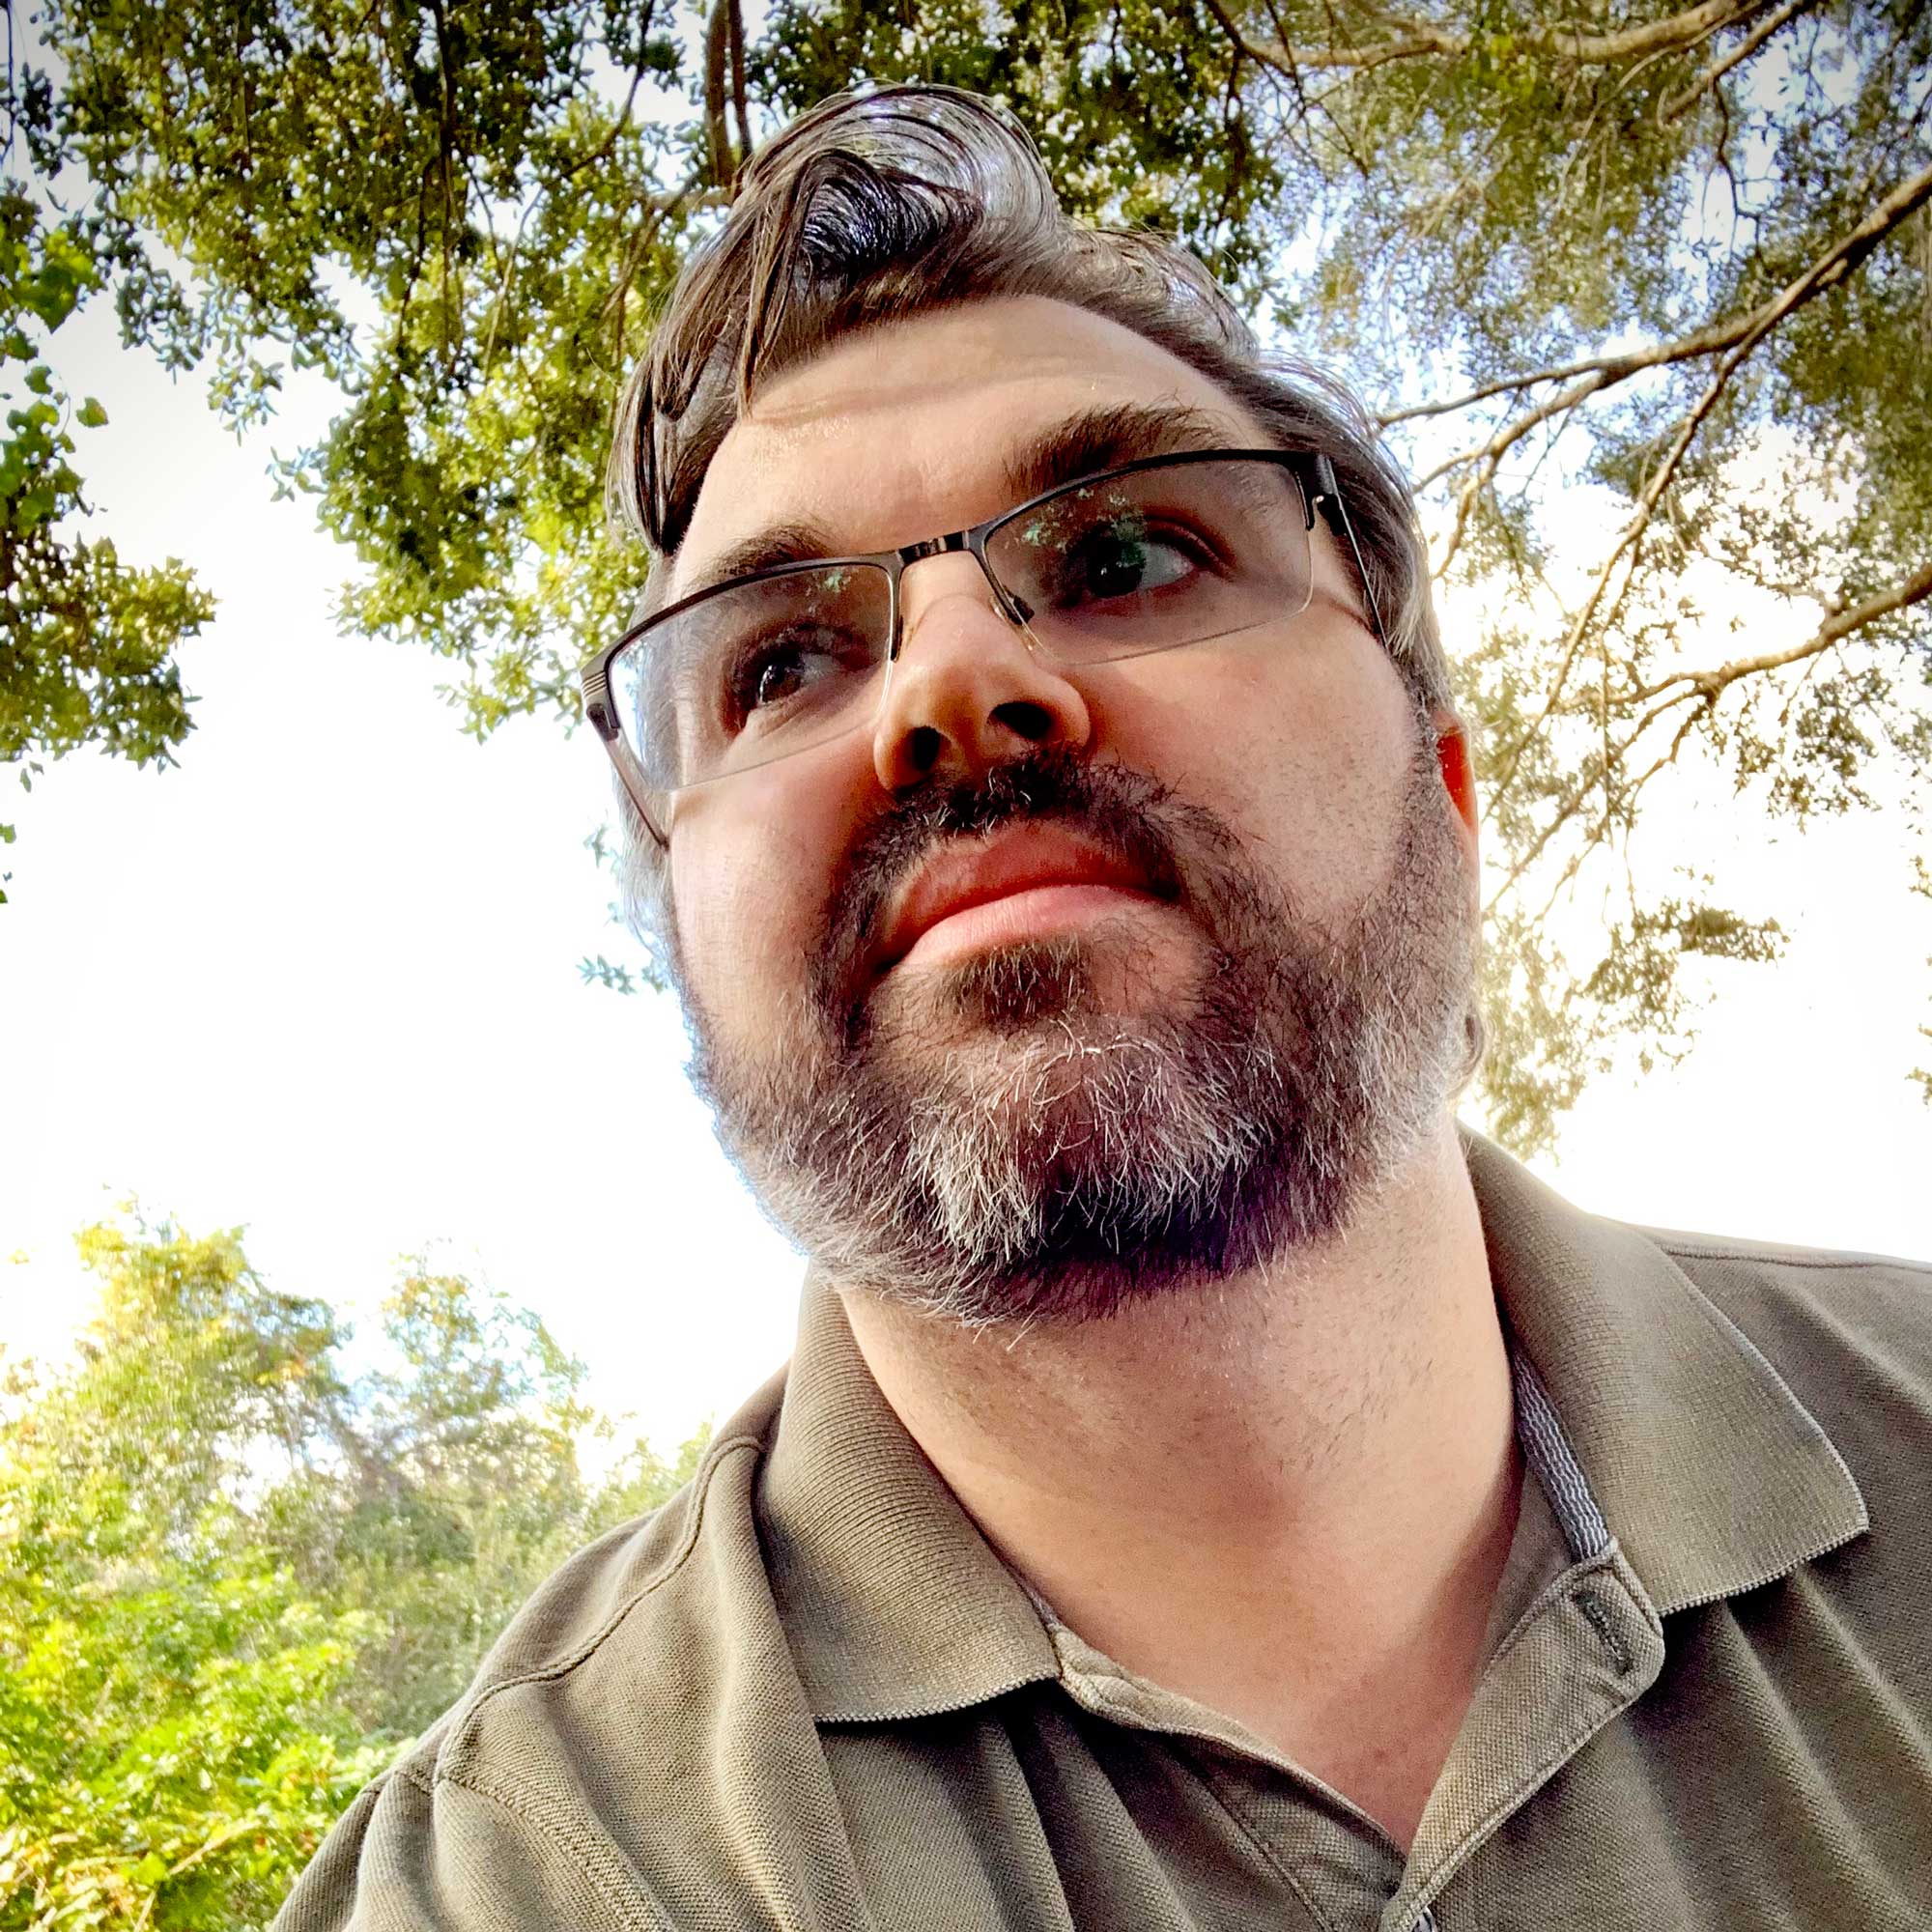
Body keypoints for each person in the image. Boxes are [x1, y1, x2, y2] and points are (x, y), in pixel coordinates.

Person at [274, 85, 1932, 1932]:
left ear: (1445, 807)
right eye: (783, 659)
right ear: (679, 940)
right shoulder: (528, 1874)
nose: (952, 682)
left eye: (1128, 556)